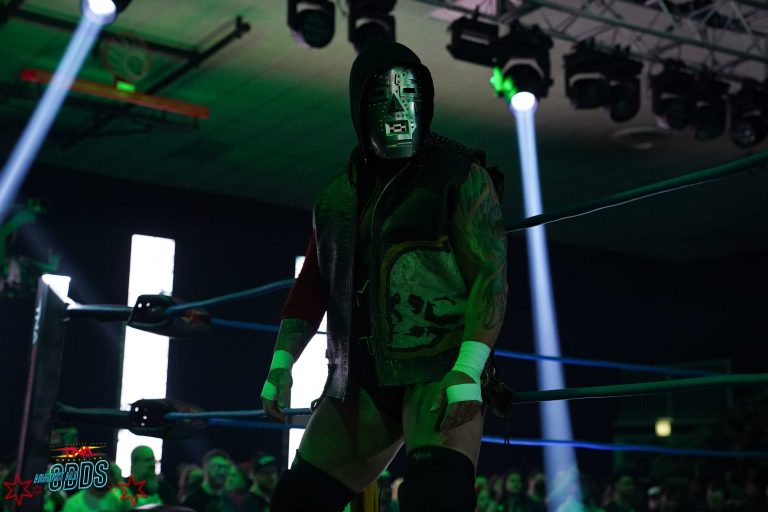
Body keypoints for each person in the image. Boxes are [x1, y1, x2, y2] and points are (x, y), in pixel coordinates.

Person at [260, 40, 508, 512]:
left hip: (439, 364)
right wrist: (280, 365)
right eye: (382, 96)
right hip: (361, 375)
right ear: (360, 105)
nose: (398, 109)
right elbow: (312, 286)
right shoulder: (338, 196)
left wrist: (469, 367)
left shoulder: (458, 173)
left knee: (435, 499)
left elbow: (490, 276)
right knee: (296, 502)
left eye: (410, 93)